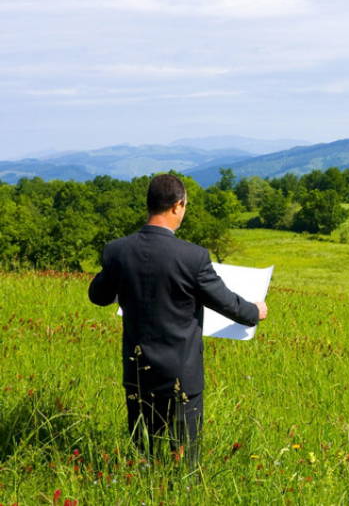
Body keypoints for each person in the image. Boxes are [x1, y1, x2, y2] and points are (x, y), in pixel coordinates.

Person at [88, 174, 267, 466]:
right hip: (181, 375)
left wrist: (117, 272)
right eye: (184, 206)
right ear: (176, 206)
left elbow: (98, 295)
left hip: (138, 372)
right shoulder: (193, 257)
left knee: (142, 455)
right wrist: (254, 312)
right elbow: (225, 301)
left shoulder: (117, 251)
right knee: (185, 460)